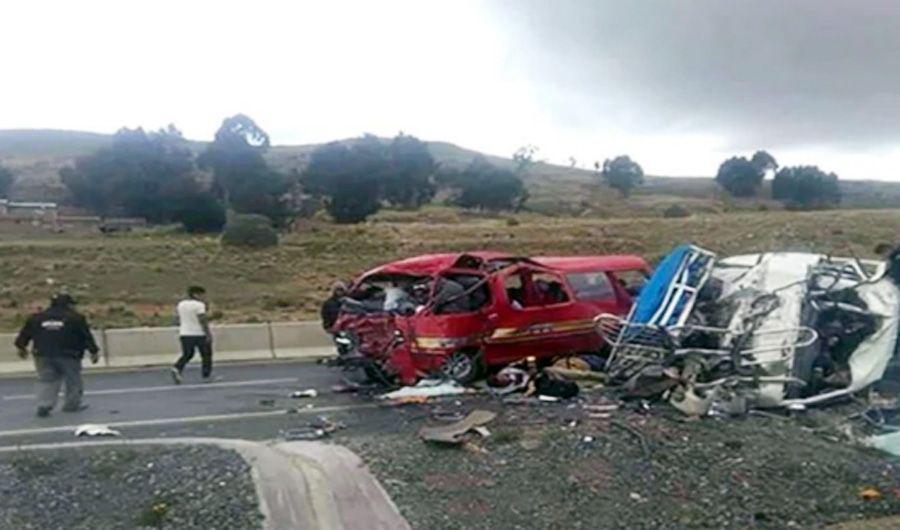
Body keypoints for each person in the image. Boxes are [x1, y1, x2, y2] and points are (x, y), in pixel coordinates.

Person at [14, 294, 100, 417]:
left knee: (47, 379)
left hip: (42, 354)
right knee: (73, 380)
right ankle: (72, 405)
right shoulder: (75, 318)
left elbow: (24, 335)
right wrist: (94, 351)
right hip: (69, 354)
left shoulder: (36, 318)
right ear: (69, 305)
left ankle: (44, 404)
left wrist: (21, 348)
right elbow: (86, 336)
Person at [171, 285, 213, 384]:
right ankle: (206, 376)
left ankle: (177, 367)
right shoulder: (199, 305)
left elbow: (178, 319)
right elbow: (202, 320)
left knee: (188, 354)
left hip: (185, 333)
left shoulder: (181, 304)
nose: (203, 297)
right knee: (206, 355)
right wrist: (208, 333)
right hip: (198, 333)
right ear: (195, 294)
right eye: (201, 295)